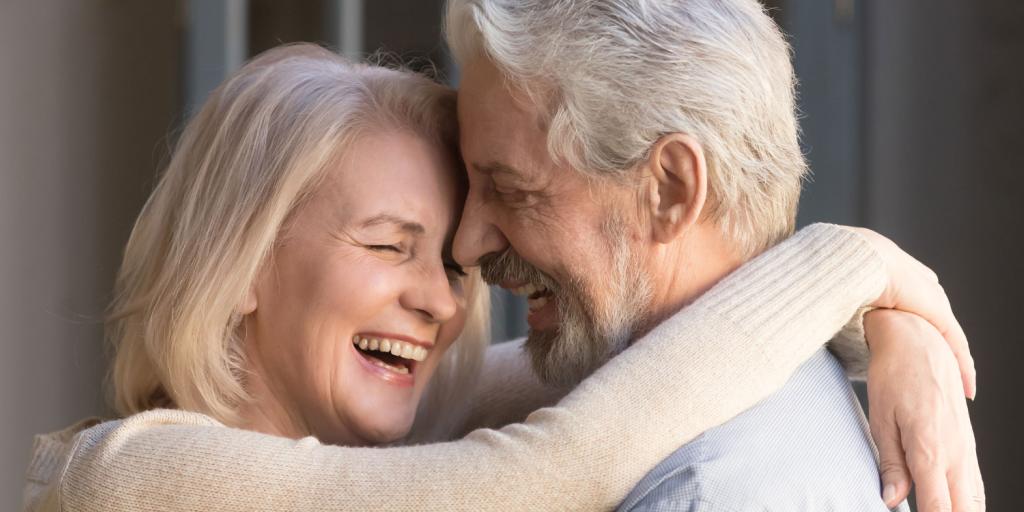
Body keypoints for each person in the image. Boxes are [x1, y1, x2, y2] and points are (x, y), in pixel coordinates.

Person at [23, 45, 972, 512]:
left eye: (445, 260)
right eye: (389, 246)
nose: (443, 298)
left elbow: (659, 351)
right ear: (241, 266)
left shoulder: (385, 424)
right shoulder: (132, 476)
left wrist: (893, 326)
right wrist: (848, 262)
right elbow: (562, 462)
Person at [444, 0, 982, 510]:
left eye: (512, 191)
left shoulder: (701, 493)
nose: (466, 245)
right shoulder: (764, 413)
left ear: (670, 192)